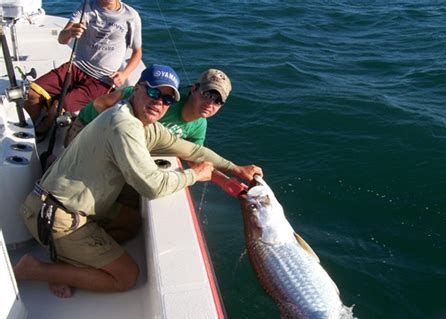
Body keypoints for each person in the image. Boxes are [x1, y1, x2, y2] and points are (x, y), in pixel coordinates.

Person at [14, 64, 262, 298]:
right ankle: (35, 269)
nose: (159, 102)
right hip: (55, 217)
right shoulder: (124, 125)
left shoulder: (143, 123)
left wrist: (235, 168)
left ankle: (71, 260)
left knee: (131, 222)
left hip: (68, 206)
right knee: (127, 276)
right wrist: (194, 176)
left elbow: (192, 151)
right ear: (138, 88)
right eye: (154, 92)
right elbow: (152, 186)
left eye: (167, 99)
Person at [25, 0, 142, 137]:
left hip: (102, 80)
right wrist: (70, 32)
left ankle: (47, 124)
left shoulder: (131, 16)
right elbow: (61, 39)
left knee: (58, 107)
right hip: (75, 67)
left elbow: (137, 53)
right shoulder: (86, 6)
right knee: (32, 93)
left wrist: (123, 74)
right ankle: (25, 130)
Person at [65, 68, 231, 146]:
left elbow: (196, 155)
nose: (210, 103)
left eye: (218, 101)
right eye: (207, 95)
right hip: (88, 128)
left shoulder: (200, 125)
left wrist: (230, 175)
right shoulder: (158, 99)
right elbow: (99, 104)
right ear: (194, 89)